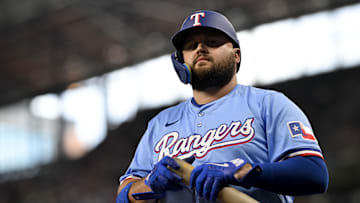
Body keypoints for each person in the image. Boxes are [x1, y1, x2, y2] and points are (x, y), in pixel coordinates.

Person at [116, 10, 329, 203]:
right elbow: (124, 195)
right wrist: (150, 183)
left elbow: (314, 173)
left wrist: (245, 172)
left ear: (236, 55)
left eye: (213, 42)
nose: (200, 48)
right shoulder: (159, 124)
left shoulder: (269, 104)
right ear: (180, 61)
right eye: (191, 46)